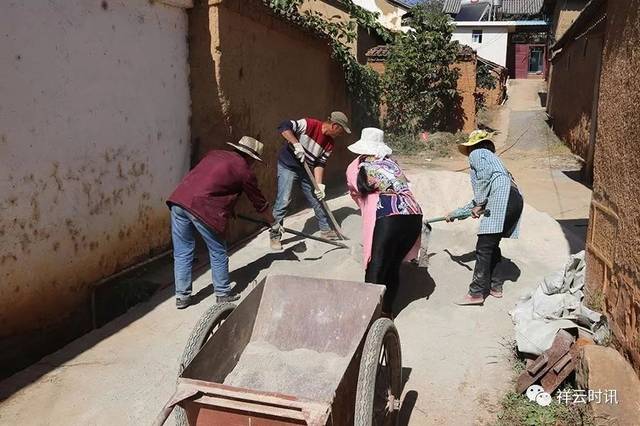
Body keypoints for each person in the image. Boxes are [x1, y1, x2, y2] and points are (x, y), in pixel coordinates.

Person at [167, 136, 273, 309]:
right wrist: (273, 223)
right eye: (254, 161)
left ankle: (182, 297)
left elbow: (213, 183)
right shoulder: (244, 170)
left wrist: (228, 209)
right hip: (202, 207)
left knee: (182, 252)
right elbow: (260, 203)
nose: (253, 164)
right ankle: (223, 293)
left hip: (179, 201)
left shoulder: (214, 154)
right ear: (249, 157)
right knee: (218, 251)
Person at [346, 127, 422, 316]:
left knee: (376, 267)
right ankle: (386, 312)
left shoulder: (358, 165)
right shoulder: (392, 164)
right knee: (393, 266)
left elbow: (356, 191)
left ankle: (368, 317)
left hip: (389, 215)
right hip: (413, 215)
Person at [447, 130, 524, 305]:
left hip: (503, 198)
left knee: (483, 246)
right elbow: (477, 200)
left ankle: (476, 293)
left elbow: (481, 182)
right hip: (514, 199)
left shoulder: (478, 153)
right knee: (491, 245)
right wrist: (455, 214)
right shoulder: (495, 164)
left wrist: (480, 203)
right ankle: (496, 287)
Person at [269, 111, 351, 250]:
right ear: (335, 126)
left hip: (305, 168)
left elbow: (320, 163)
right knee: (283, 200)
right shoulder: (309, 125)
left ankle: (325, 231)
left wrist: (319, 185)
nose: (340, 135)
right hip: (288, 166)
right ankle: (275, 236)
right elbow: (284, 126)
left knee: (317, 197)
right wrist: (296, 144)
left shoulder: (330, 144)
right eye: (341, 131)